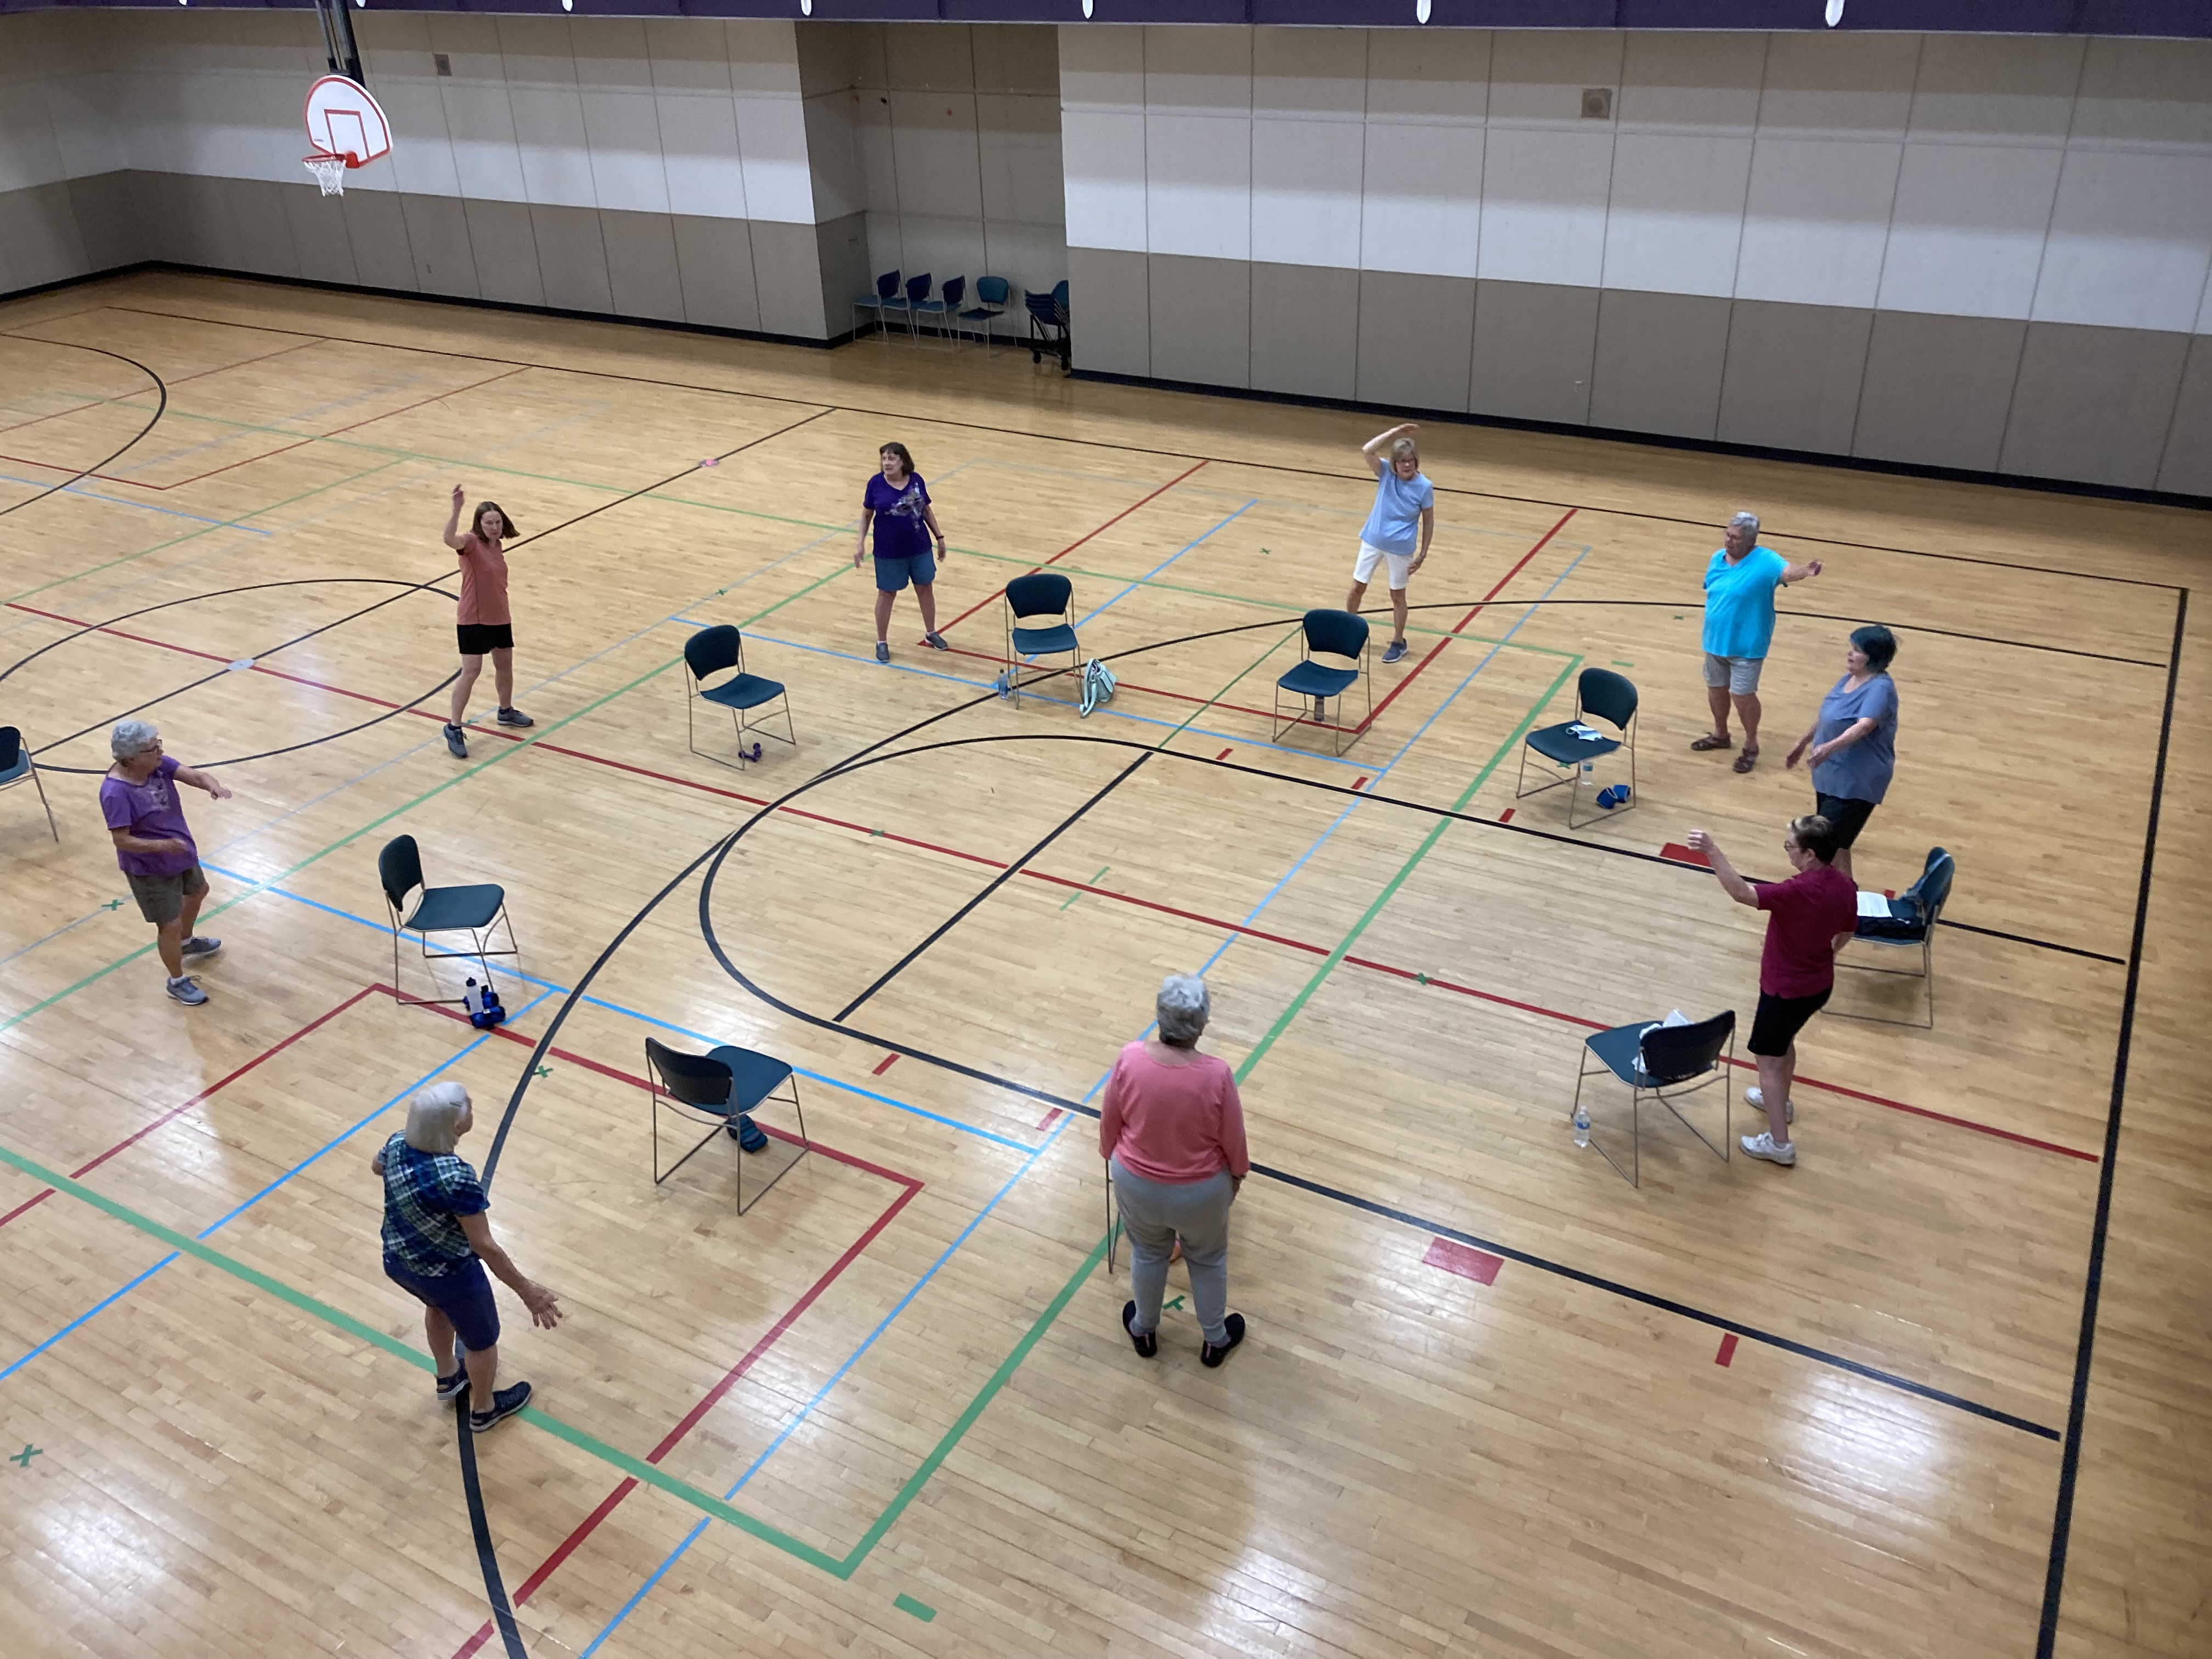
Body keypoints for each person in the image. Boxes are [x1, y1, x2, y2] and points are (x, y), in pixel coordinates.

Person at [373, 1082, 561, 1432]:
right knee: (481, 1342)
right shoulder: (455, 1177)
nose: (472, 1105)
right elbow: (485, 1246)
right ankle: (484, 1409)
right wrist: (528, 1292)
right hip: (451, 1275)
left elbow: (376, 1167)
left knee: (437, 1308)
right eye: (468, 1106)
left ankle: (447, 1375)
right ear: (455, 1127)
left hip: (399, 1262)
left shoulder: (397, 1142)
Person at [1685, 816, 1855, 1168]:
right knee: (1784, 1044)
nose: (1786, 851)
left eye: (1790, 847)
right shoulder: (1845, 886)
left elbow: (1741, 893)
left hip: (1785, 992)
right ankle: (1780, 1101)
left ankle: (1780, 1145)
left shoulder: (1796, 892)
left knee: (1767, 1060)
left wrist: (1712, 850)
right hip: (1818, 986)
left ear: (1809, 854)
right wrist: (1828, 954)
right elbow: (1848, 931)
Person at [1100, 974, 1251, 1367]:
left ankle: (1144, 1329)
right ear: (1201, 1025)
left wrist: (1107, 1155)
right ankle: (1215, 1339)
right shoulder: (1216, 1074)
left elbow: (1111, 1120)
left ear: (1160, 1019)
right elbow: (1233, 1136)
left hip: (1136, 1184)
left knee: (1148, 1253)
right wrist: (1237, 1175)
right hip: (1200, 1192)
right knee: (1207, 1260)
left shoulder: (1129, 1057)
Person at [100, 719, 232, 1006]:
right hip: (150, 869)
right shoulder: (116, 793)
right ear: (131, 758)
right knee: (168, 925)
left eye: (159, 745)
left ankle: (185, 942)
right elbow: (122, 840)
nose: (160, 751)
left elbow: (192, 775)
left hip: (179, 853)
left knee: (198, 892)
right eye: (152, 748)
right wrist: (164, 846)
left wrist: (212, 785)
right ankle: (177, 981)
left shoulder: (157, 765)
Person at [1691, 511, 1822, 773]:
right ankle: (1721, 735)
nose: (1729, 541)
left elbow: (1787, 572)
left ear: (1751, 541)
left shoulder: (1766, 561)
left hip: (1748, 646)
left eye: (1736, 538)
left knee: (1742, 696)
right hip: (1715, 641)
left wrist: (1805, 571)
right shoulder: (1717, 558)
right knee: (1716, 689)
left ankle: (1751, 745)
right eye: (1727, 534)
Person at [1786, 625, 1899, 885]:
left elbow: (1865, 725)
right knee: (1838, 846)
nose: (1850, 654)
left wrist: (1827, 748)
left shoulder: (1880, 688)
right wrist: (1803, 741)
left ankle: (1827, 899)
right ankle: (1848, 900)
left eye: (1858, 651)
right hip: (1831, 774)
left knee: (1823, 845)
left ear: (1874, 657)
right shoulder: (1849, 679)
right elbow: (1828, 716)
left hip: (1856, 781)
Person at [441, 486, 531, 759]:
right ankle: (453, 727)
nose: (494, 527)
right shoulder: (469, 543)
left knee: (505, 665)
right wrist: (456, 509)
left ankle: (505, 711)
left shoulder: (498, 545)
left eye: (497, 522)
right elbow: (448, 539)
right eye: (488, 523)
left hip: (500, 617)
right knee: (472, 671)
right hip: (473, 618)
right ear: (479, 525)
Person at [1343, 421, 1435, 665]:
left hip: (1401, 549)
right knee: (1357, 589)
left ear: (1416, 462)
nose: (1406, 465)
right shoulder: (1385, 473)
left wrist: (1423, 554)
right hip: (1372, 541)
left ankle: (1398, 642)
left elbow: (1428, 521)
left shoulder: (1424, 487)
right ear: (1394, 463)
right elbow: (1367, 450)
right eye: (1402, 461)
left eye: (1410, 460)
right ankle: (1348, 631)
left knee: (1397, 596)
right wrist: (1395, 432)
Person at [852, 442, 950, 663]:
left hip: (919, 547)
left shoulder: (916, 480)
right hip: (888, 552)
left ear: (903, 461)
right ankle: (882, 642)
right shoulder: (875, 484)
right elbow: (867, 515)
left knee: (925, 588)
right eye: (884, 459)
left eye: (892, 459)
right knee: (887, 594)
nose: (887, 463)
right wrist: (860, 542)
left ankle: (931, 633)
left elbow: (925, 509)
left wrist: (940, 537)